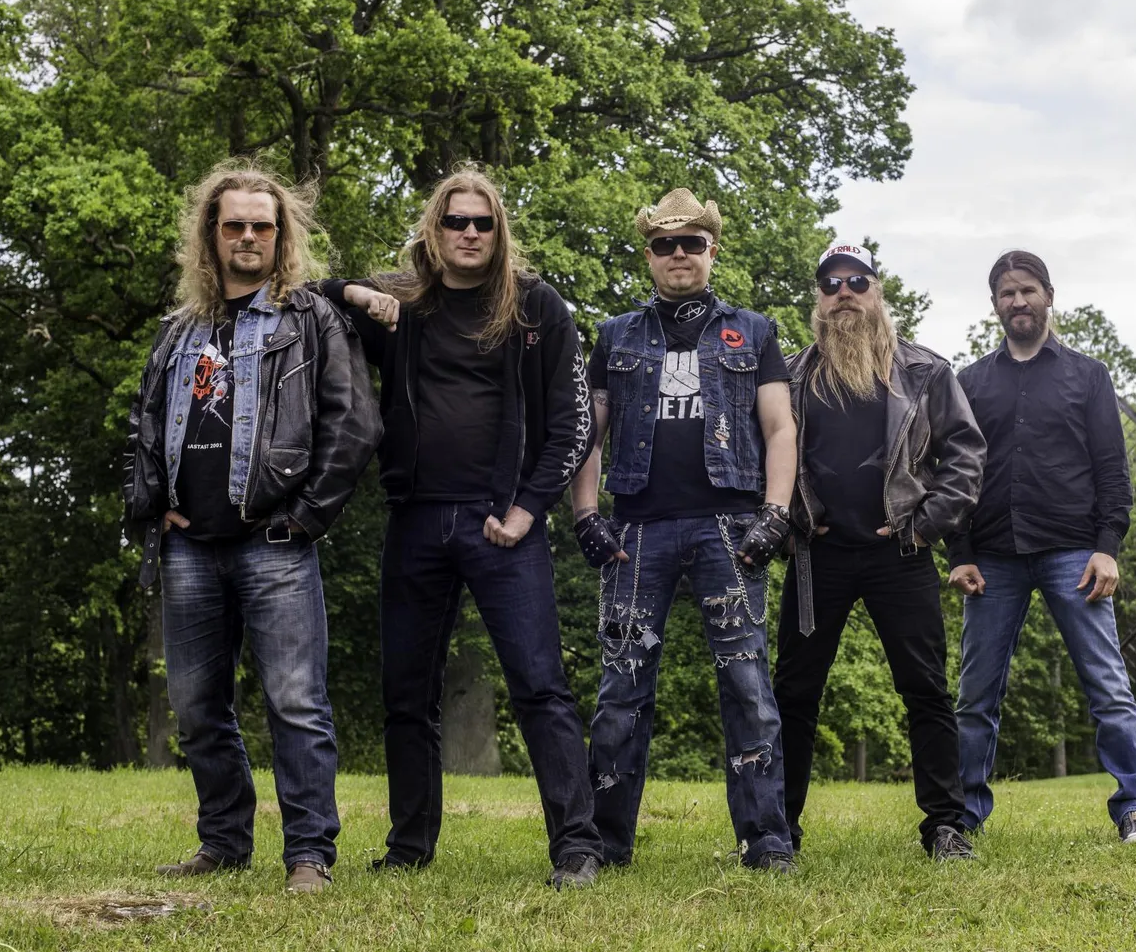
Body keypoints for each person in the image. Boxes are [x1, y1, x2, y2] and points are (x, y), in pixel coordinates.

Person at [321, 167, 604, 888]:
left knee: (540, 686)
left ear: (498, 230)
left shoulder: (536, 306)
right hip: (415, 518)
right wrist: (354, 292)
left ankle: (577, 847)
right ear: (434, 229)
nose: (469, 233)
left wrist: (526, 509)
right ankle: (409, 847)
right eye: (456, 221)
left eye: (483, 222)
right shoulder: (403, 302)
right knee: (406, 694)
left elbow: (574, 424)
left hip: (502, 523)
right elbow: (305, 297)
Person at [122, 162, 382, 892]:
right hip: (187, 546)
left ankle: (309, 855)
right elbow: (146, 423)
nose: (246, 237)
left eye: (260, 226)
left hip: (275, 544)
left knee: (296, 703)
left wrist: (306, 516)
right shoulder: (180, 330)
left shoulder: (310, 319)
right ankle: (224, 841)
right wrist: (153, 504)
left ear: (280, 235)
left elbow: (354, 424)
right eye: (233, 224)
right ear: (212, 233)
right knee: (196, 708)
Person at [570, 188, 797, 871]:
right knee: (621, 688)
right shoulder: (615, 334)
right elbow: (588, 434)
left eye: (691, 242)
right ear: (648, 255)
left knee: (748, 686)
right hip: (636, 531)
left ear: (711, 250)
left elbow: (780, 428)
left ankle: (767, 841)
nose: (678, 254)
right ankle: (605, 843)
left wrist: (776, 514)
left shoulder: (753, 332)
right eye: (664, 244)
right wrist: (585, 515)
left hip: (731, 529)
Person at [773, 243, 987, 862]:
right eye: (830, 283)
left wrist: (925, 527)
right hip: (817, 558)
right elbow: (764, 457)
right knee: (793, 694)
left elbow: (966, 455)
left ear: (877, 291)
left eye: (856, 281)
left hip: (902, 554)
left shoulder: (926, 372)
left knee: (926, 690)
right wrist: (790, 526)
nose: (844, 292)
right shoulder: (789, 375)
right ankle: (777, 831)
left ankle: (946, 827)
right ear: (818, 298)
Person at [948, 250, 1136, 844]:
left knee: (1108, 684)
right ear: (995, 304)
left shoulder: (1088, 375)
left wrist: (1107, 546)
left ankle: (1135, 806)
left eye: (1028, 290)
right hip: (992, 558)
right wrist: (959, 552)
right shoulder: (970, 383)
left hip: (1074, 554)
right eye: (1006, 293)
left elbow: (1112, 470)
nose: (1018, 301)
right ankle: (963, 814)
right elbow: (954, 473)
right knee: (975, 695)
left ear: (1048, 295)